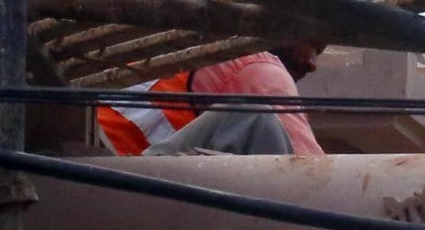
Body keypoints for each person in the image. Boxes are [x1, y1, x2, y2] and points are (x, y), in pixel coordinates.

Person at [98, 42, 327, 157]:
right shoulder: (258, 68)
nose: (312, 63)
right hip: (119, 187)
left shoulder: (186, 42)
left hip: (98, 171)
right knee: (254, 118)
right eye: (311, 43)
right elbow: (312, 177)